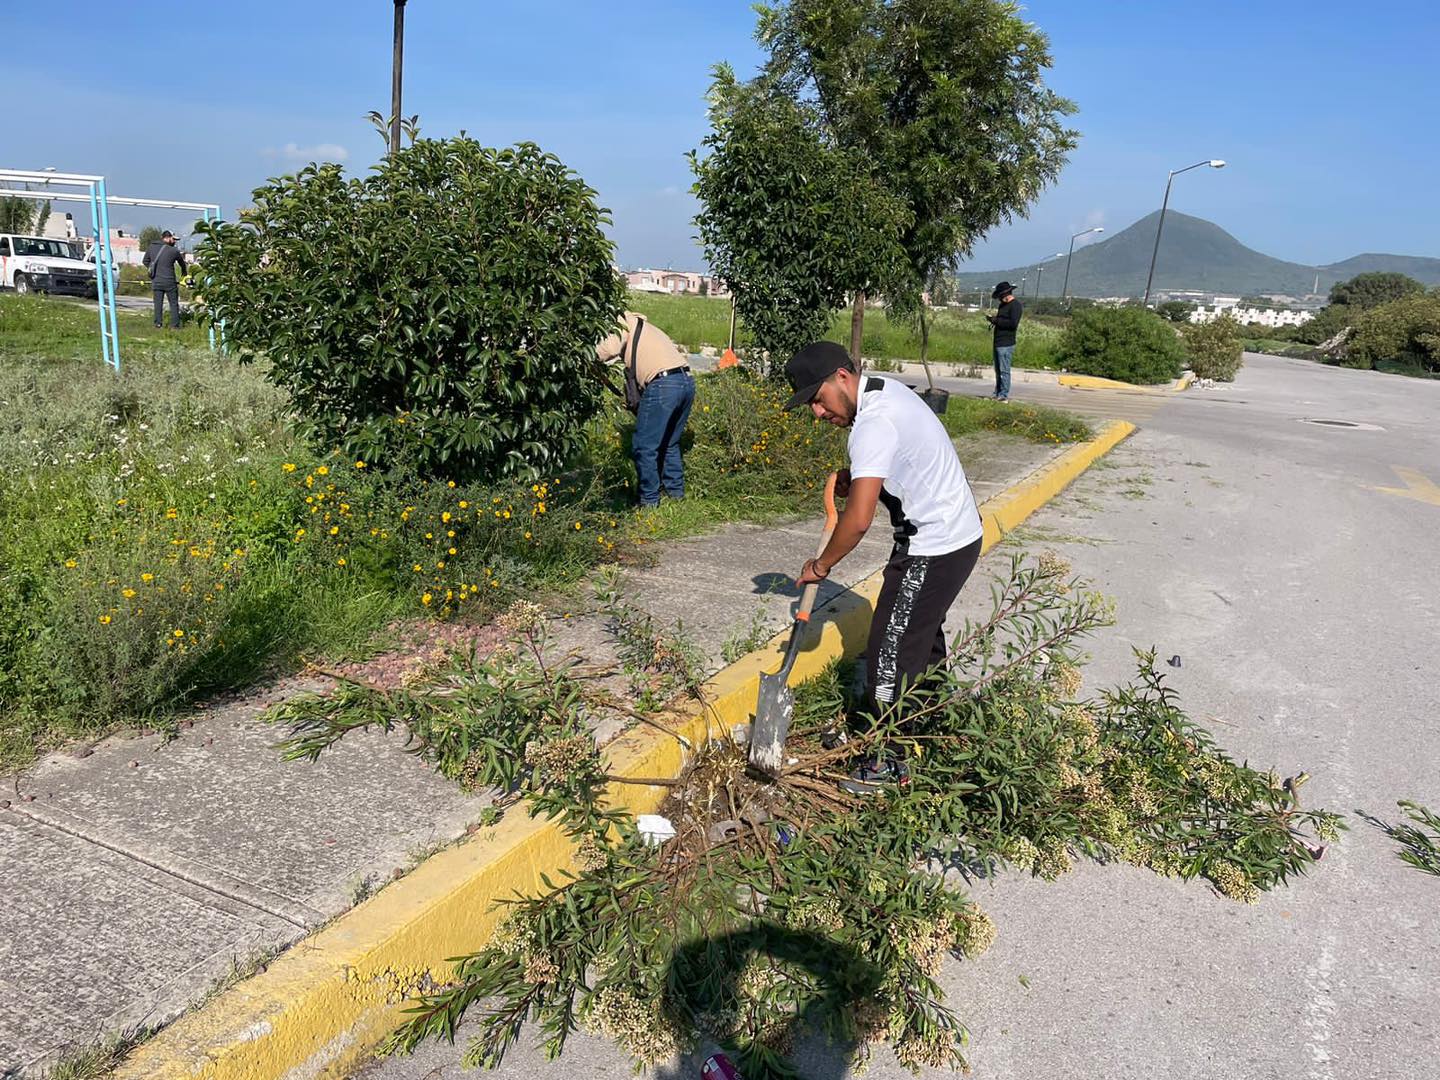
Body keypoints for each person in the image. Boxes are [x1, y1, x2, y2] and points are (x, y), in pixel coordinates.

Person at [787, 341, 985, 793]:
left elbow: (856, 523)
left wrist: (821, 566)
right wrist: (858, 478)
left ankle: (886, 761)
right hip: (959, 535)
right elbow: (894, 461)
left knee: (889, 650)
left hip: (934, 545)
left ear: (842, 377)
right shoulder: (884, 392)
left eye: (817, 399)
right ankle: (929, 724)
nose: (817, 413)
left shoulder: (871, 425)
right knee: (919, 636)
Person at [597, 312, 696, 508]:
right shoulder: (650, 329)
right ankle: (676, 496)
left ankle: (649, 502)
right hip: (686, 382)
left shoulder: (624, 322)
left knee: (644, 446)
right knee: (669, 443)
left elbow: (608, 349)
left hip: (663, 384)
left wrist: (584, 354)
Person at [985, 281, 1023, 401]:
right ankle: (997, 392)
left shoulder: (1015, 306)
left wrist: (996, 321)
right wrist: (993, 320)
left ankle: (1003, 395)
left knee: (1004, 370)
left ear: (1006, 294)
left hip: (1006, 342)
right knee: (998, 370)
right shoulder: (1003, 305)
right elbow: (1001, 319)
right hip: (998, 341)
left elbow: (1013, 324)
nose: (1000, 299)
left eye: (1000, 297)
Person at [144, 231, 187, 329]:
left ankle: (158, 324)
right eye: (174, 239)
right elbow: (182, 263)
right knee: (173, 304)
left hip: (156, 280)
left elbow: (145, 261)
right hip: (169, 281)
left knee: (158, 304)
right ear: (168, 238)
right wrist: (184, 273)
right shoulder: (174, 251)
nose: (175, 242)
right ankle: (175, 326)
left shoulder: (152, 247)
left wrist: (153, 268)